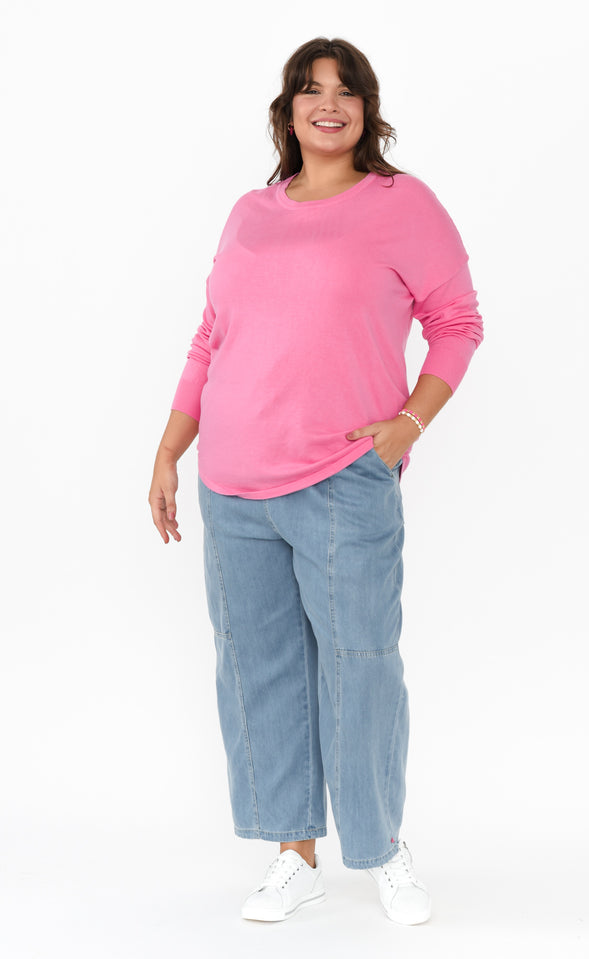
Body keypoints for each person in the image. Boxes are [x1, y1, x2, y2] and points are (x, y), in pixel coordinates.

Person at [149, 36, 483, 926]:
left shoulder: (403, 205)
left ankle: (381, 848)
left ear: (367, 111)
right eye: (310, 90)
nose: (327, 104)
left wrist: (409, 424)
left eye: (345, 91)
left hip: (343, 477)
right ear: (287, 111)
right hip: (233, 482)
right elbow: (210, 336)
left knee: (362, 664)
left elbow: (457, 322)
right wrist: (170, 449)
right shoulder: (249, 213)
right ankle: (293, 854)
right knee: (256, 666)